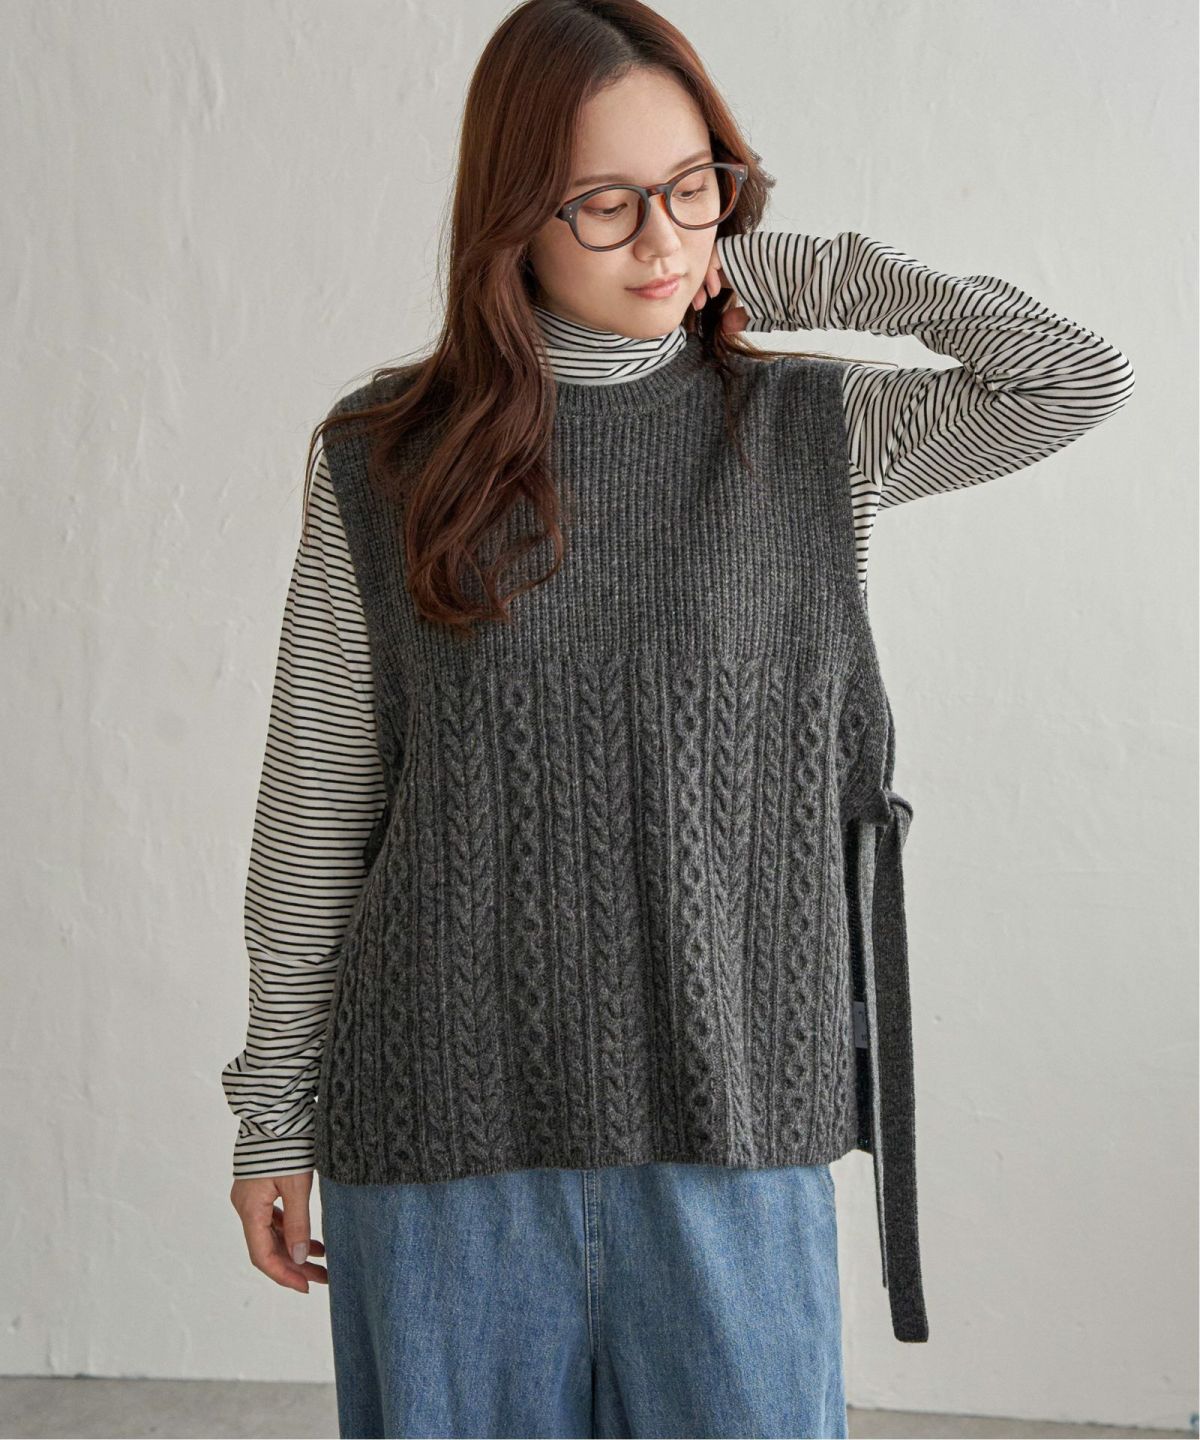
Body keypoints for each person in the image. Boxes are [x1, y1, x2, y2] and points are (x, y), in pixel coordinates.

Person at [222, 2, 1136, 1436]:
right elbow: (320, 802)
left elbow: (1073, 376)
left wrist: (787, 262)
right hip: (445, 1134)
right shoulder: (384, 457)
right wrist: (273, 1109)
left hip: (733, 1124)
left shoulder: (813, 432)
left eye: (693, 185)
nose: (660, 239)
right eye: (606, 203)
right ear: (512, 217)